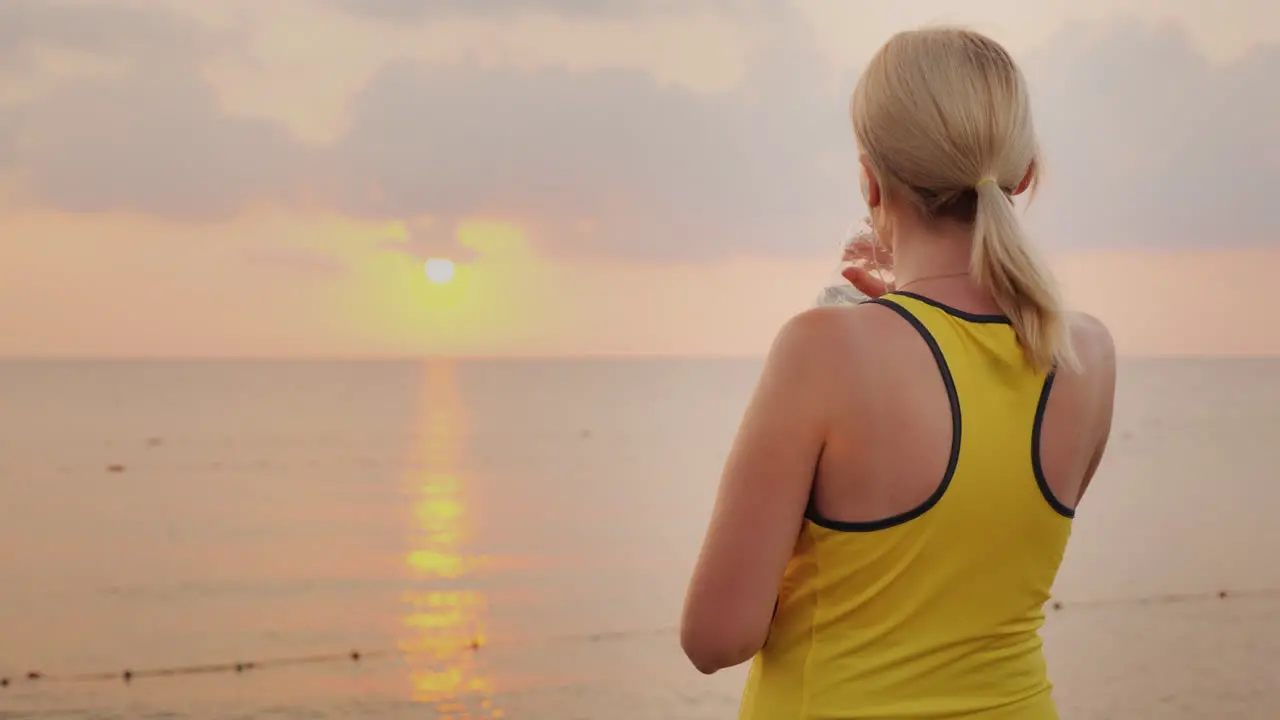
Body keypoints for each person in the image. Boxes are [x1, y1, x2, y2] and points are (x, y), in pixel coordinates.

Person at [679, 27, 1117, 719]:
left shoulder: (823, 350)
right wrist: (910, 318)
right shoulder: (1087, 353)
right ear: (1025, 171)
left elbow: (716, 638)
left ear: (870, 179)